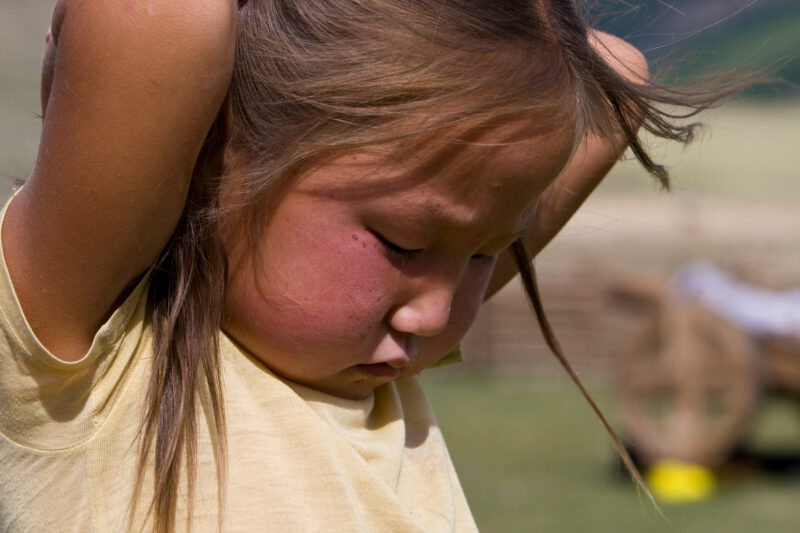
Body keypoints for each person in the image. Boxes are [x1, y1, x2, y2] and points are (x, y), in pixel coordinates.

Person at [0, 1, 741, 531]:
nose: (439, 315)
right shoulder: (94, 363)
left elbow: (612, 81)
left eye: (485, 255)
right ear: (216, 160)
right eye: (402, 245)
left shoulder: (374, 348)